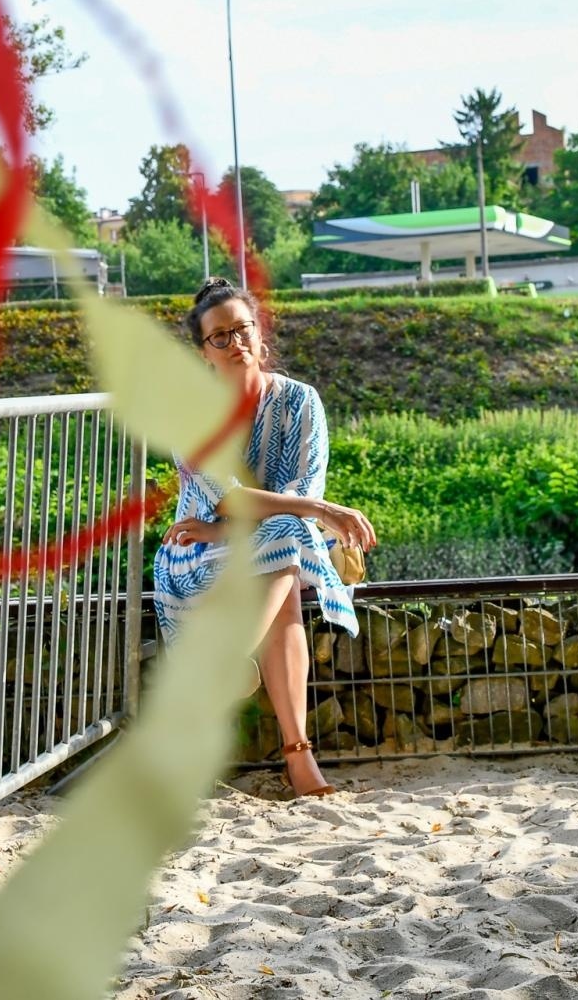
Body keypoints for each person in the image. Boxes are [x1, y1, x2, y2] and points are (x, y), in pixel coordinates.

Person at [153, 277, 377, 799]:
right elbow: (230, 496)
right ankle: (300, 760)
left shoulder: (302, 402)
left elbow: (297, 488)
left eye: (242, 329)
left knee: (285, 538)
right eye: (220, 336)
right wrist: (319, 510)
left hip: (266, 543)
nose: (235, 343)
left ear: (260, 334)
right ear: (203, 351)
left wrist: (251, 518)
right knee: (291, 543)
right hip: (197, 553)